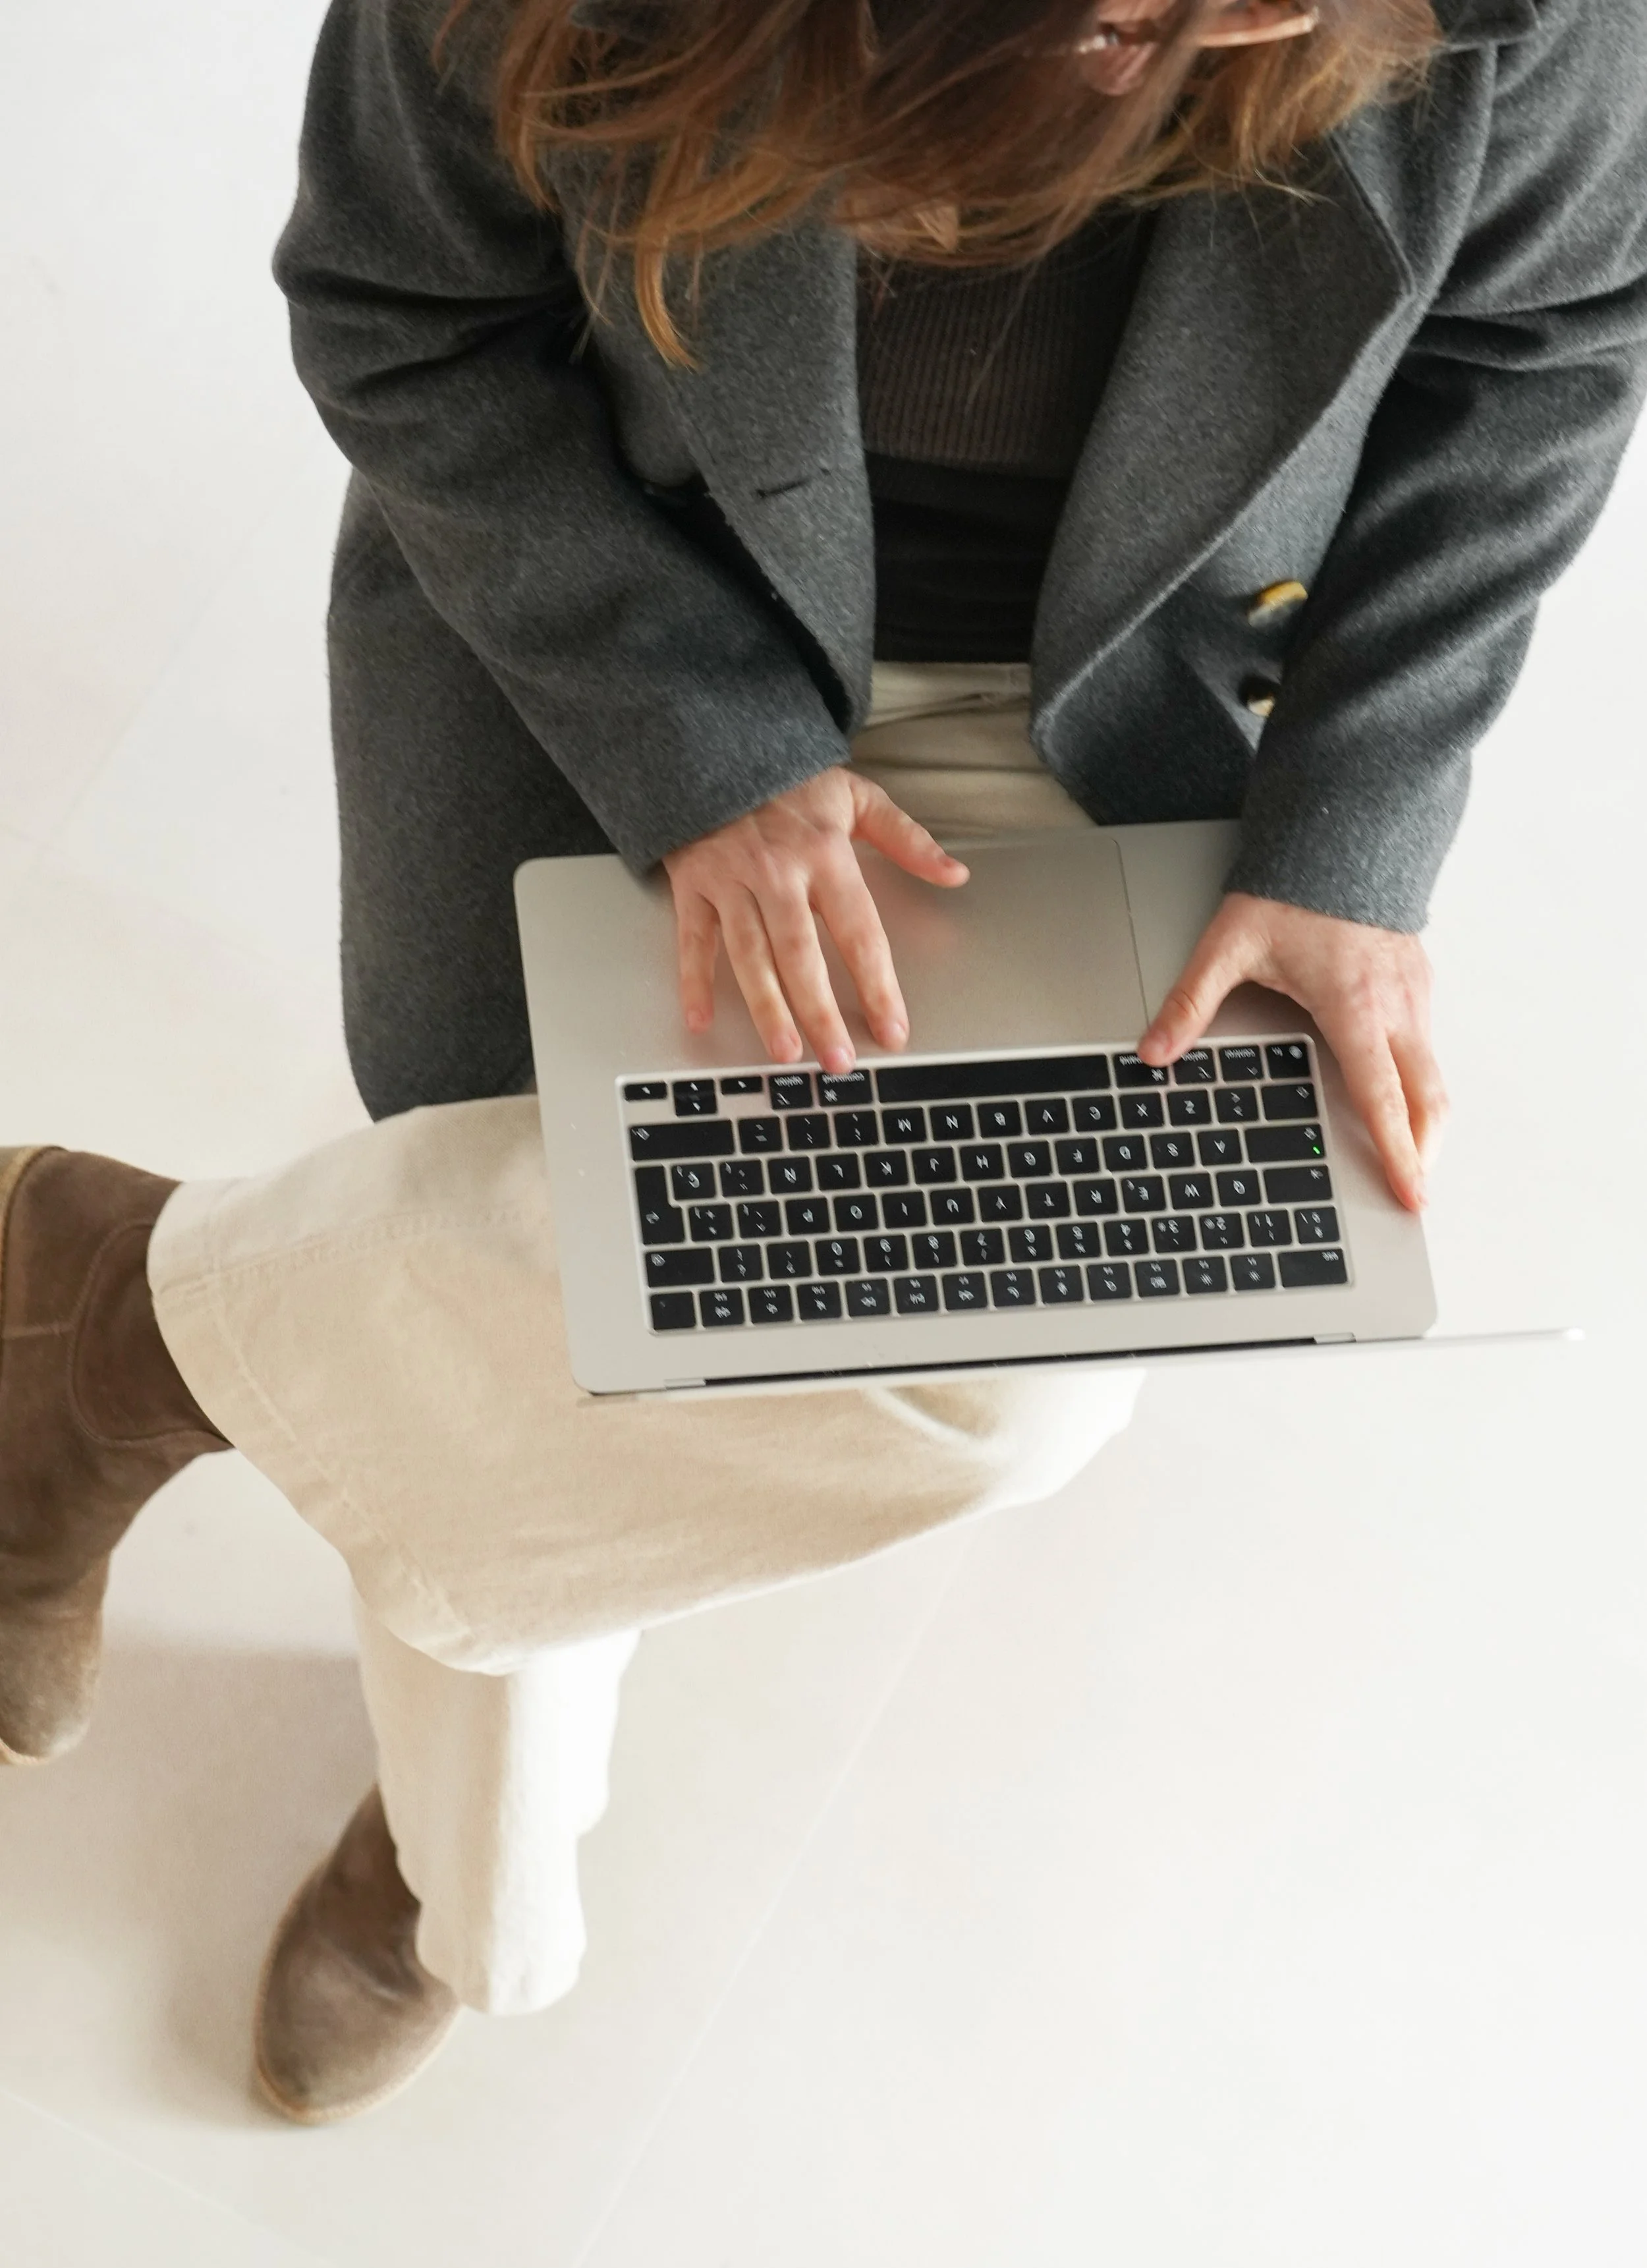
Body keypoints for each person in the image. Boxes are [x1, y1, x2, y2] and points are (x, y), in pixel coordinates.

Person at [4, 0, 1644, 2123]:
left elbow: (1539, 347)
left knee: (983, 1386)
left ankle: (128, 1324)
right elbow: (399, 316)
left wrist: (1353, 831)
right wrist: (701, 754)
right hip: (612, 607)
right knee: (577, 1292)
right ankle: (456, 1882)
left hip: (1115, 692)